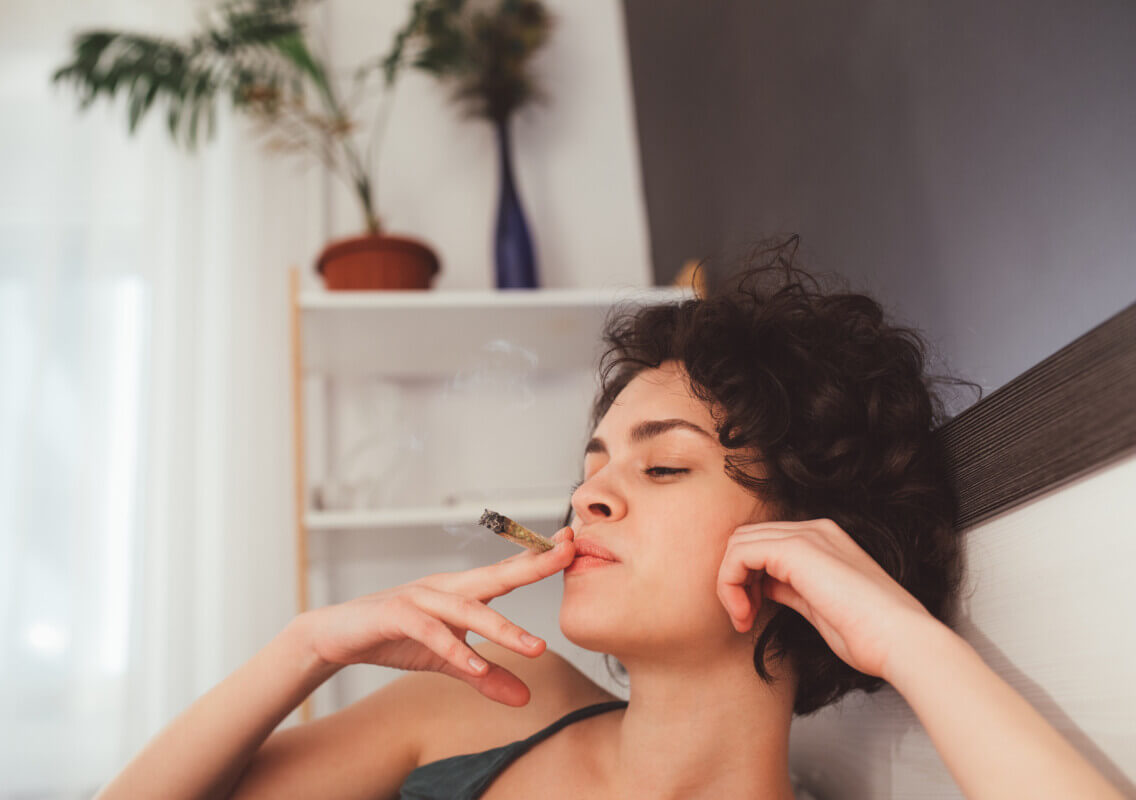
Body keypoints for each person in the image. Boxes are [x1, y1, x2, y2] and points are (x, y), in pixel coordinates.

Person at [95, 239, 1126, 799]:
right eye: (591, 466)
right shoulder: (485, 708)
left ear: (803, 547)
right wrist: (307, 647)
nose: (586, 497)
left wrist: (907, 636)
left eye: (665, 464)